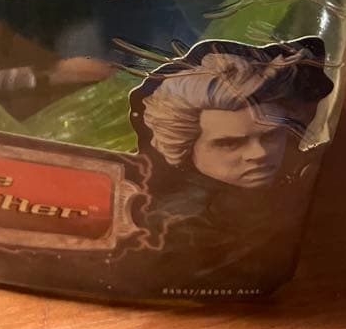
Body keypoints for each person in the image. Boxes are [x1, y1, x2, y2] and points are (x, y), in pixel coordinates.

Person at [129, 38, 334, 289]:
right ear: (185, 146)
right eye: (229, 144)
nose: (258, 154)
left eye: (270, 136)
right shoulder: (183, 227)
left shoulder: (295, 191)